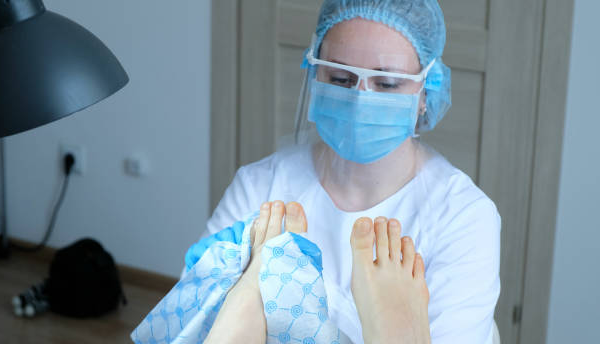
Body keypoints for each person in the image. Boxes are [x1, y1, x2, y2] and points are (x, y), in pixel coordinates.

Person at [203, 0, 501, 343]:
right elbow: (189, 320)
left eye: (387, 83)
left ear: (425, 91)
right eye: (341, 78)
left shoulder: (463, 218)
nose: (360, 99)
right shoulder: (260, 186)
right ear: (316, 74)